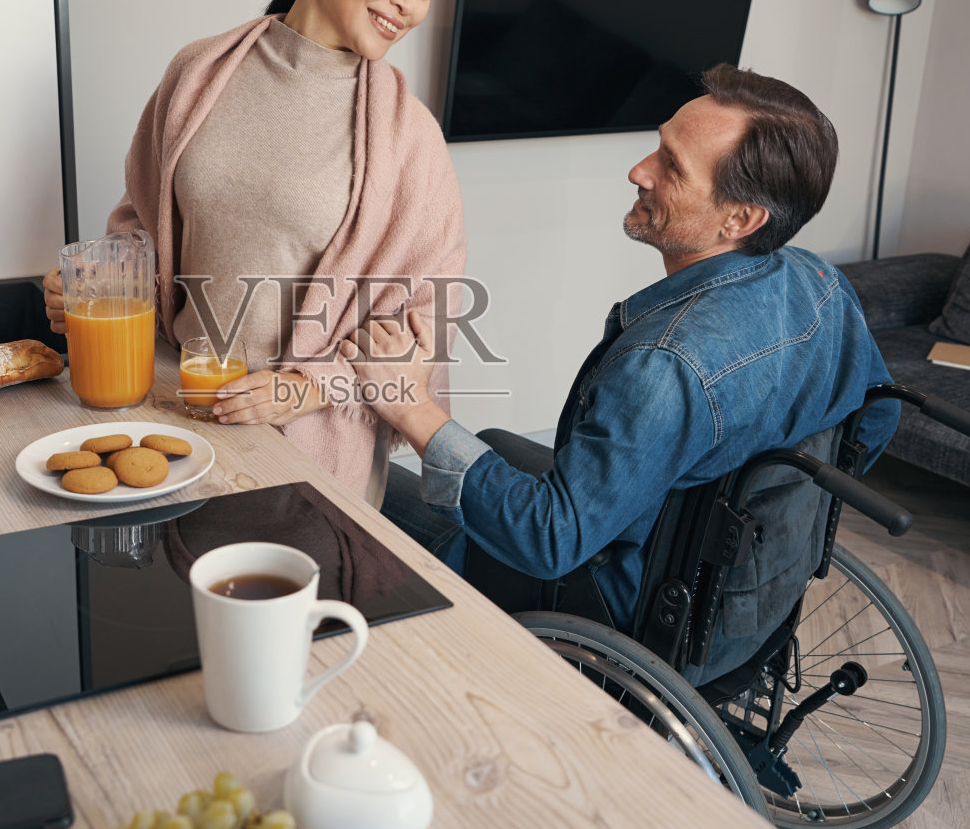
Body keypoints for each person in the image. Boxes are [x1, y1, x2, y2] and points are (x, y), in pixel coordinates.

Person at [341, 63, 902, 679]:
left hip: (633, 620)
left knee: (356, 506)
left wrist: (411, 407)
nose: (639, 171)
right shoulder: (819, 282)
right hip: (750, 609)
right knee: (498, 442)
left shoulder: (666, 364)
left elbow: (548, 539)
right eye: (659, 146)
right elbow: (877, 417)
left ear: (739, 220)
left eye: (672, 166)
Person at [44, 0, 465, 506]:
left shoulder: (409, 138)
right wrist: (99, 287)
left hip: (307, 451)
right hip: (173, 416)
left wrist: (309, 387)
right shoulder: (199, 73)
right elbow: (142, 224)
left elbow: (423, 319)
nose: (410, 2)